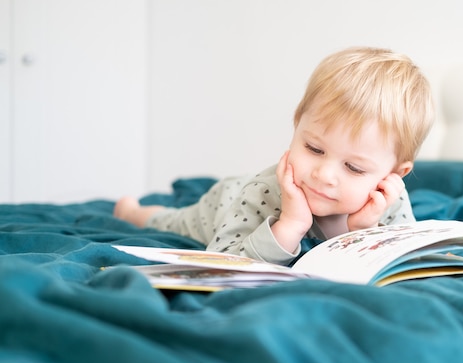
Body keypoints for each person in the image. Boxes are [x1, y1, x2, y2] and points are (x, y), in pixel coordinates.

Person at [114, 46, 434, 266]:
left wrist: (366, 232)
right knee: (175, 221)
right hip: (226, 203)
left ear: (395, 173)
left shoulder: (389, 199)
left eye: (353, 167)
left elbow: (402, 265)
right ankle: (134, 211)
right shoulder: (264, 191)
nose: (323, 174)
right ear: (297, 124)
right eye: (313, 148)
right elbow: (225, 262)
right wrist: (289, 225)